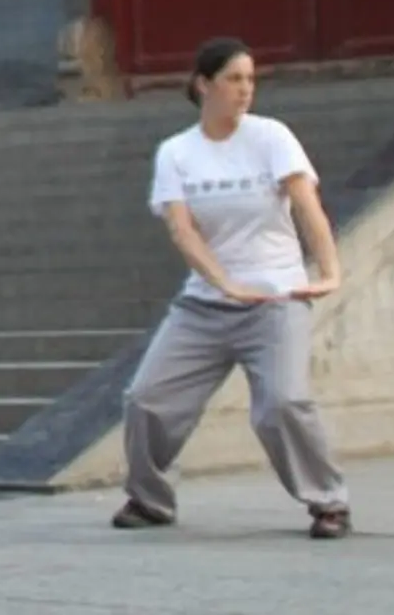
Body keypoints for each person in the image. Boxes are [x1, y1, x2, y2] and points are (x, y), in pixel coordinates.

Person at [114, 37, 352, 539]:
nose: (245, 90)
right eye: (234, 79)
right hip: (204, 306)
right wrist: (224, 283)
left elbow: (307, 206)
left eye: (250, 79)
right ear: (204, 85)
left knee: (282, 404)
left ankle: (329, 502)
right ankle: (150, 500)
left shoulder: (272, 137)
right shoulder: (177, 152)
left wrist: (329, 270)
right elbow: (182, 230)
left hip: (277, 301)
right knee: (146, 398)